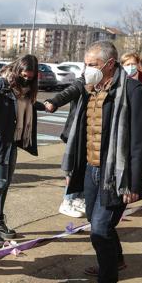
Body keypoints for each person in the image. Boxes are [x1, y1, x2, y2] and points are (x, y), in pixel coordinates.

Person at [62, 41, 142, 283]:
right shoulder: (90, 90)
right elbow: (81, 132)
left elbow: (140, 142)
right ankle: (116, 259)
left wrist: (135, 183)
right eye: (85, 64)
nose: (86, 70)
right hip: (90, 169)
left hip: (115, 173)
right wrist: (73, 170)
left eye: (91, 65)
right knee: (95, 221)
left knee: (100, 230)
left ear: (109, 64)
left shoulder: (134, 92)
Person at [0, 55, 45, 246]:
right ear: (18, 69)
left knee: (6, 183)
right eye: (24, 75)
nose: (26, 79)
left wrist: (45, 105)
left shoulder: (26, 89)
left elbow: (24, 104)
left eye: (30, 76)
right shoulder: (0, 85)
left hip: (12, 141)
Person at [44, 77, 87, 218]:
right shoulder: (82, 82)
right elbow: (67, 93)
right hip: (76, 134)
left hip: (90, 134)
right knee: (72, 169)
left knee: (85, 169)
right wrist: (54, 102)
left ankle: (78, 199)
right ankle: (67, 201)